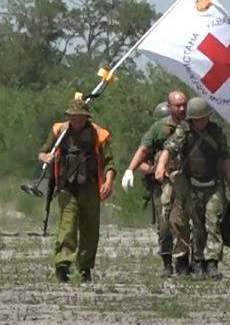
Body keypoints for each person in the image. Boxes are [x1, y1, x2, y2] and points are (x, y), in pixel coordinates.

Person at [155, 97, 230, 279]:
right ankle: (192, 262)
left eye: (204, 118)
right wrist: (161, 167)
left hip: (213, 184)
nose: (201, 122)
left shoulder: (216, 132)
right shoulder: (183, 131)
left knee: (213, 223)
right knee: (194, 225)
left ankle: (211, 263)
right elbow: (169, 150)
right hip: (190, 184)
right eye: (197, 119)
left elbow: (225, 159)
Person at [37, 96, 115, 283]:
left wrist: (109, 181)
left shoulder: (99, 134)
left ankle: (85, 267)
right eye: (73, 116)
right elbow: (42, 152)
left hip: (90, 187)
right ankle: (63, 264)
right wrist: (46, 157)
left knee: (90, 228)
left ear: (86, 117)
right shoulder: (59, 132)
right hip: (66, 187)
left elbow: (108, 162)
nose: (76, 120)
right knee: (67, 225)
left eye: (80, 116)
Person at [121, 91, 188, 275]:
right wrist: (132, 169)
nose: (182, 108)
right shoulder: (159, 128)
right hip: (163, 182)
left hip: (186, 181)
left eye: (184, 104)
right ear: (170, 106)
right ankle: (167, 263)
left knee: (184, 223)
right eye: (177, 105)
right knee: (164, 224)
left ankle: (184, 262)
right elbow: (143, 150)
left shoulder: (192, 126)